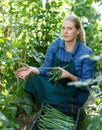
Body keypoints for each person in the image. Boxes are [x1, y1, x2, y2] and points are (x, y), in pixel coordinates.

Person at [15, 14, 94, 107]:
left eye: (69, 29)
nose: (65, 32)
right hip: (55, 85)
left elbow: (87, 84)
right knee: (35, 81)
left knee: (61, 99)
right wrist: (31, 69)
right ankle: (50, 104)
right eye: (63, 28)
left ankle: (54, 105)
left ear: (78, 31)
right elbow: (45, 69)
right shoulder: (55, 45)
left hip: (73, 90)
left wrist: (69, 76)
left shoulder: (85, 52)